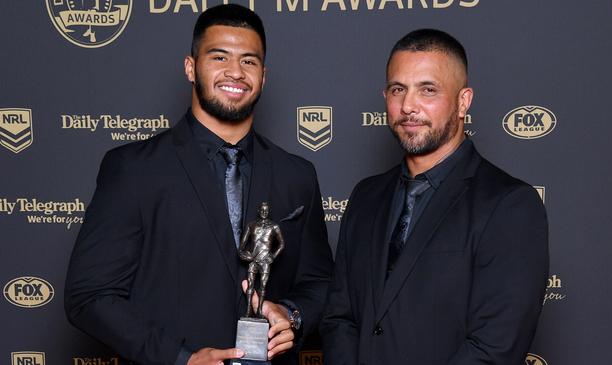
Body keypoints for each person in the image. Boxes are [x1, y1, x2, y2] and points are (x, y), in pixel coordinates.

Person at [64, 5, 333, 365]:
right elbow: (90, 295)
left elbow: (319, 283)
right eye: (219, 56)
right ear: (191, 67)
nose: (235, 71)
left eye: (249, 61)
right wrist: (180, 358)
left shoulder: (296, 174)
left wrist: (293, 316)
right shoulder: (133, 168)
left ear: (263, 76)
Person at [320, 29, 548, 365]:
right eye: (398, 90)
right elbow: (339, 317)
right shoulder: (366, 196)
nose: (408, 106)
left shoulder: (510, 204)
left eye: (428, 90)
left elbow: (494, 347)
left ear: (463, 101)